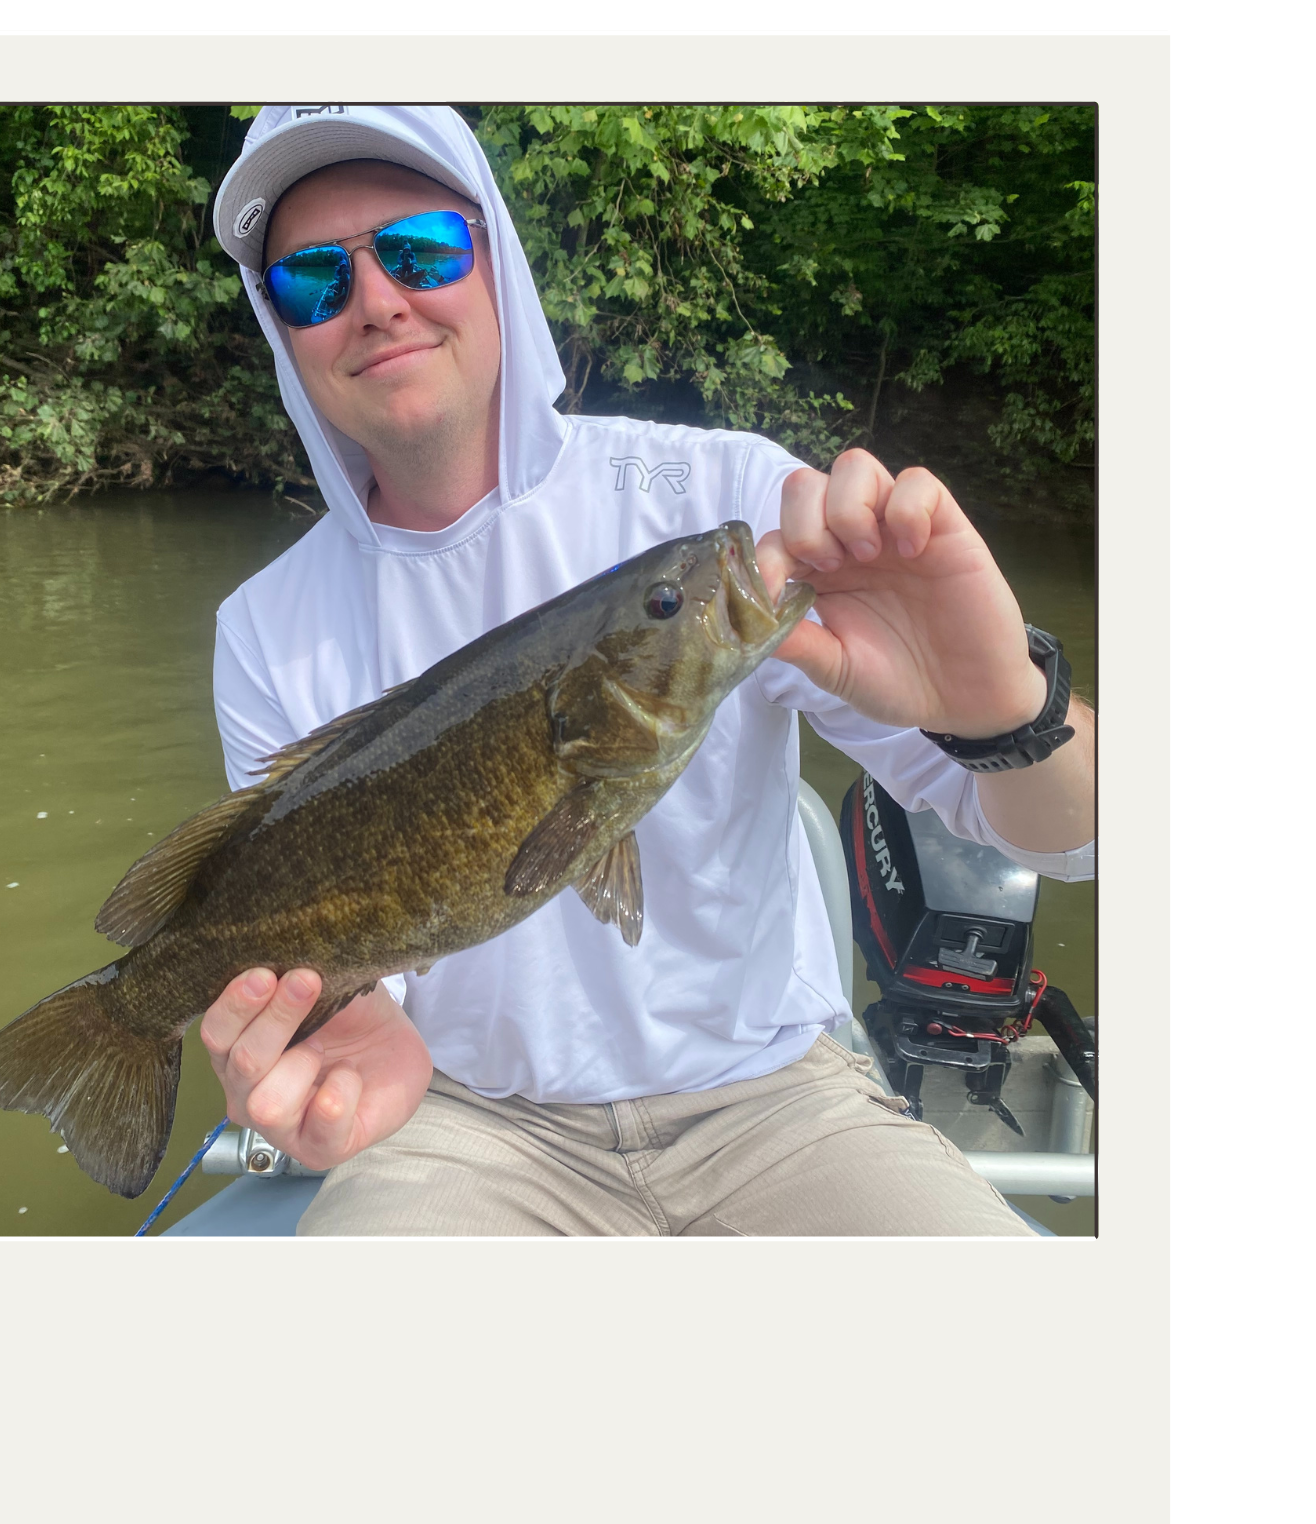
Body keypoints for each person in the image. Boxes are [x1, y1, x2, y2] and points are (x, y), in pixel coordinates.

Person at [201, 105, 1095, 1236]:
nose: (377, 300)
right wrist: (326, 1037)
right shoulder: (265, 623)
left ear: (497, 260)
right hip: (462, 1122)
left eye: (422, 247)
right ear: (280, 327)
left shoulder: (720, 500)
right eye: (314, 280)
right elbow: (342, 952)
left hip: (775, 1102)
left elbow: (1075, 838)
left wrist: (1005, 709)